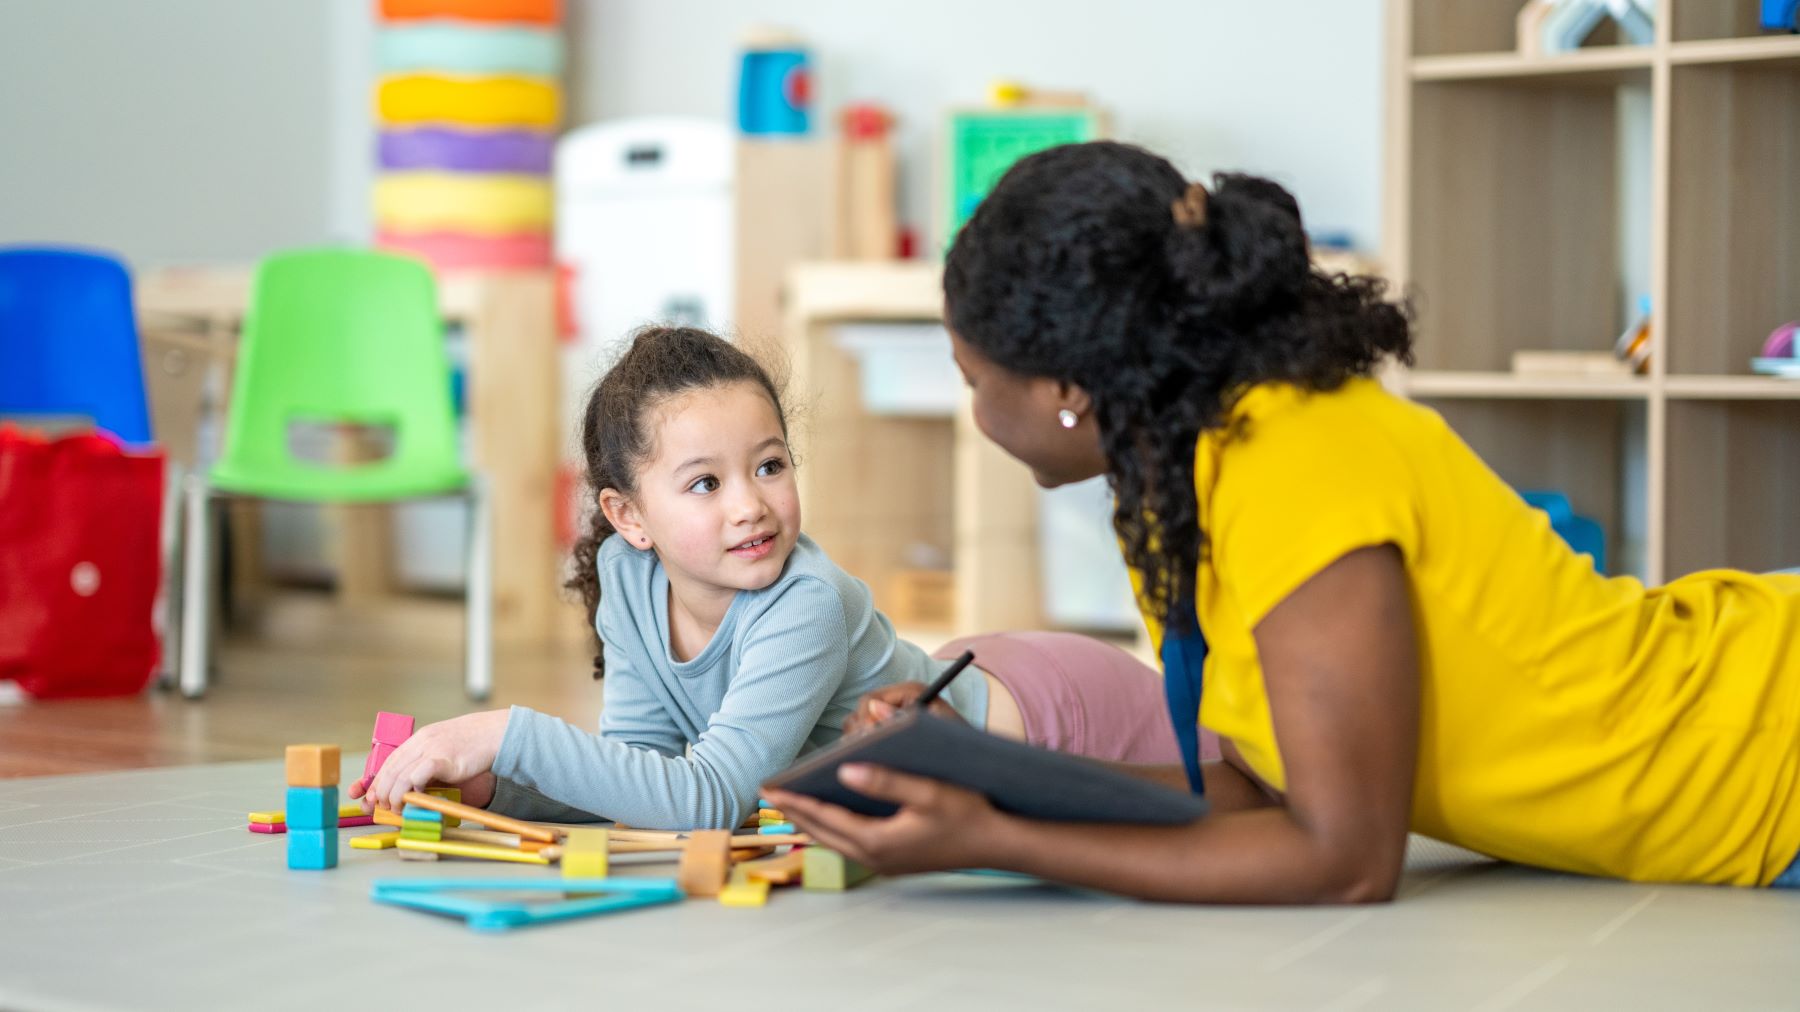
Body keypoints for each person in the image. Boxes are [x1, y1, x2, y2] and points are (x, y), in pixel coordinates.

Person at [765, 141, 1800, 900]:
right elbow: (1268, 791)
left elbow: (1346, 857)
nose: (974, 410)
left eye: (973, 379)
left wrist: (1000, 837)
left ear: (1068, 385)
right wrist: (992, 779)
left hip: (1770, 757)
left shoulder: (1287, 460)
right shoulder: (1181, 474)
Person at [353, 325, 1186, 829]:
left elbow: (710, 799)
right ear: (628, 517)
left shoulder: (806, 603)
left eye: (770, 465)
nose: (751, 506)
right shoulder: (629, 581)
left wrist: (506, 732)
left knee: (1259, 776)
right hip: (961, 687)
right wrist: (503, 786)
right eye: (705, 483)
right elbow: (641, 769)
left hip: (1062, 722)